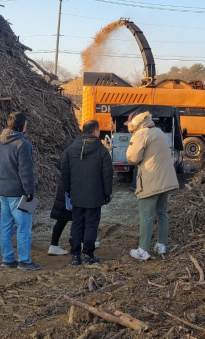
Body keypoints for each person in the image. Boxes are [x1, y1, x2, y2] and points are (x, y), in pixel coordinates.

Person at [125, 111, 179, 261]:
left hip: (150, 180)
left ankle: (143, 250)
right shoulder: (158, 131)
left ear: (135, 124)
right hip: (165, 180)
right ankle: (161, 244)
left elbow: (132, 158)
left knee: (146, 216)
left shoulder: (140, 134)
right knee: (162, 213)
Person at [61, 120, 113, 266]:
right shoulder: (101, 150)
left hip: (76, 194)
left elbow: (64, 171)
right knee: (91, 224)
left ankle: (75, 255)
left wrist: (68, 190)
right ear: (95, 131)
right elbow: (107, 173)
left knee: (77, 223)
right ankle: (88, 255)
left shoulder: (71, 149)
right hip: (95, 196)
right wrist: (107, 193)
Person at [0, 112, 40, 271]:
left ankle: (7, 259)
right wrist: (30, 191)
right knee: (24, 227)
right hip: (19, 192)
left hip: (3, 190)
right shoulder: (23, 144)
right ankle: (25, 261)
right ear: (21, 126)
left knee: (6, 227)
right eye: (26, 124)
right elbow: (25, 171)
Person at [48, 138, 101, 256]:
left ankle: (54, 245)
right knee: (80, 218)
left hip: (62, 191)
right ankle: (81, 242)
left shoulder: (63, 155)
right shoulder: (73, 155)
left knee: (62, 220)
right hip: (72, 190)